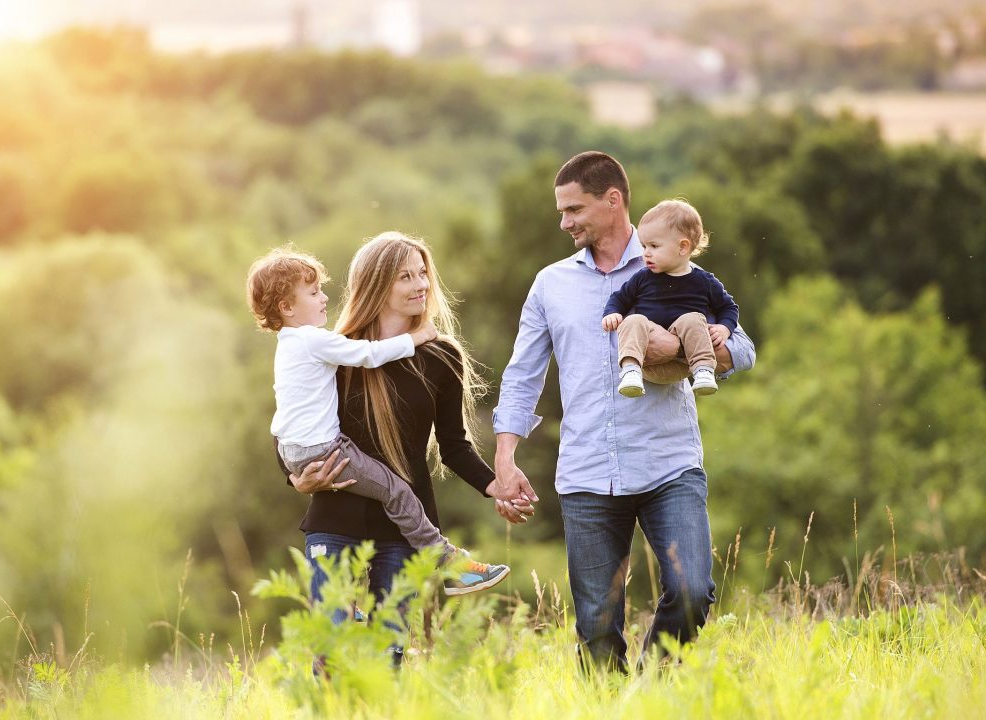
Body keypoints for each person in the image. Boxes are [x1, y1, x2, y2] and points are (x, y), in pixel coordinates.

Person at [491, 151, 756, 672]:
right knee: (595, 624)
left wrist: (684, 350)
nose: (564, 222)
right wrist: (505, 458)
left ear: (613, 201)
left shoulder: (681, 269)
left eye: (574, 209)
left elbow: (742, 349)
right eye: (561, 212)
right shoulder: (551, 284)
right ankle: (612, 704)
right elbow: (522, 374)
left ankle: (650, 694)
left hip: (668, 463)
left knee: (691, 591)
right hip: (587, 471)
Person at [283, 232, 515, 661]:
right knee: (331, 653)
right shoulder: (337, 350)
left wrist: (494, 485)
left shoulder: (442, 356)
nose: (421, 284)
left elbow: (454, 446)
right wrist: (298, 478)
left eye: (423, 272)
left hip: (404, 527)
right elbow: (292, 425)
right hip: (335, 515)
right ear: (376, 285)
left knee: (388, 654)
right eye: (405, 276)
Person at [601, 199, 740, 398]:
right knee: (633, 320)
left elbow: (728, 307)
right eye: (643, 246)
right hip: (648, 362)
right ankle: (630, 370)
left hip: (686, 365)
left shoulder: (704, 281)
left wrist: (725, 328)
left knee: (692, 319)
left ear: (683, 247)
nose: (646, 253)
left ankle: (704, 371)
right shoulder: (643, 277)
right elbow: (619, 298)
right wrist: (612, 313)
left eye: (654, 246)